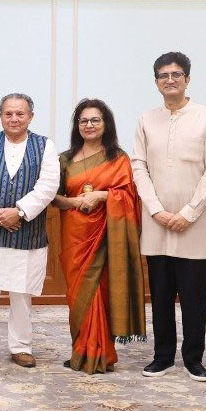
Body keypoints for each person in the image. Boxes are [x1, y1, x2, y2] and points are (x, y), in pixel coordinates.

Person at [130, 51, 206, 381]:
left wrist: (189, 212)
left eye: (176, 74)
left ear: (187, 79)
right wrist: (155, 209)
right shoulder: (146, 119)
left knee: (194, 296)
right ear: (156, 82)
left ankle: (194, 358)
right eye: (162, 75)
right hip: (156, 223)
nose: (169, 80)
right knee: (160, 295)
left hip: (194, 224)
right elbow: (138, 165)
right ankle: (163, 356)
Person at [0, 92, 59, 367]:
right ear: (1, 115)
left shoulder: (44, 146)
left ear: (30, 116)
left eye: (20, 113)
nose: (14, 118)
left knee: (22, 293)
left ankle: (21, 347)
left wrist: (19, 212)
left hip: (27, 232)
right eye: (8, 113)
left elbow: (48, 184)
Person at [53, 98, 145, 373]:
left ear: (106, 124)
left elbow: (129, 197)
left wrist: (102, 195)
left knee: (99, 293)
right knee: (78, 294)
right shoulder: (65, 159)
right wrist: (74, 203)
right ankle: (80, 348)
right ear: (77, 126)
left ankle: (100, 353)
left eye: (95, 120)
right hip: (74, 235)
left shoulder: (118, 159)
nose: (89, 125)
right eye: (83, 121)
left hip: (106, 236)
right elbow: (53, 197)